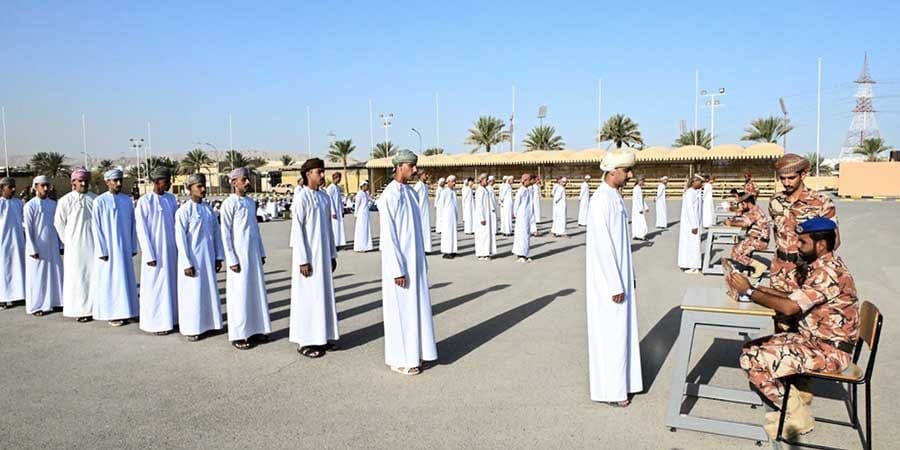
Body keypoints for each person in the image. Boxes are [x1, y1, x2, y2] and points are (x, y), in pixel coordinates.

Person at [729, 217, 858, 439]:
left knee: (750, 359)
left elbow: (789, 308)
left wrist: (750, 293)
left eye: (802, 242)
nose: (797, 245)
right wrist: (755, 287)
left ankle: (797, 414)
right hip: (815, 342)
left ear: (821, 245)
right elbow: (795, 297)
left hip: (829, 352)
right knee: (750, 349)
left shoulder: (827, 273)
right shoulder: (823, 266)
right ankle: (794, 399)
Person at [585, 151, 643, 406]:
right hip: (609, 283)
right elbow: (603, 246)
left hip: (619, 276)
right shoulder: (601, 200)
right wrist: (615, 284)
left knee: (621, 332)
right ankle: (612, 390)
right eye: (626, 170)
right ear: (612, 172)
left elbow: (620, 245)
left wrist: (628, 275)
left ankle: (624, 383)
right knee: (612, 334)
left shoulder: (614, 196)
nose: (630, 175)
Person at [376, 150, 437, 376]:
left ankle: (417, 353)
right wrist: (397, 269)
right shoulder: (389, 196)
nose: (414, 170)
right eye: (411, 166)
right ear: (399, 166)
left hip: (415, 262)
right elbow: (389, 237)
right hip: (400, 265)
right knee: (400, 312)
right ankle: (399, 358)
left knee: (416, 309)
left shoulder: (410, 193)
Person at [290, 158, 339, 358]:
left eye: (322, 171)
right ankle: (306, 341)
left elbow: (328, 229)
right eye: (319, 172)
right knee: (308, 299)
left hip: (323, 257)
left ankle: (322, 337)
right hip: (309, 259)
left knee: (322, 297)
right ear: (308, 173)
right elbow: (297, 231)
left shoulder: (324, 197)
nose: (322, 175)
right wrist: (303, 260)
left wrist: (332, 254)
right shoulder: (301, 198)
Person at [769, 153, 838, 293]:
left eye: (791, 178)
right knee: (778, 311)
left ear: (803, 174)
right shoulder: (775, 201)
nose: (786, 183)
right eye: (782, 178)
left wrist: (817, 267)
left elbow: (834, 241)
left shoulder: (821, 202)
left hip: (807, 271)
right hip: (779, 269)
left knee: (807, 313)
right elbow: (777, 233)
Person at [220, 167, 271, 350]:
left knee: (255, 292)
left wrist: (261, 252)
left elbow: (255, 230)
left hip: (253, 254)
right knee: (239, 295)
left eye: (248, 179)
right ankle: (239, 334)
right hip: (239, 257)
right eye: (244, 180)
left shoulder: (250, 203)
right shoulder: (229, 204)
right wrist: (231, 258)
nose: (247, 183)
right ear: (234, 183)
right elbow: (225, 233)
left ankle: (257, 329)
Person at [174, 174, 225, 341]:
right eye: (199, 186)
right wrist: (186, 263)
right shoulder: (183, 211)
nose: (203, 189)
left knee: (208, 292)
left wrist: (218, 256)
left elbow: (216, 234)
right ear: (190, 189)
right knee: (193, 294)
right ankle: (192, 328)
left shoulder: (209, 210)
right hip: (193, 261)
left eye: (203, 186)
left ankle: (211, 324)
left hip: (208, 258)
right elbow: (180, 241)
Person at [91, 169, 139, 326]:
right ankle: (113, 313)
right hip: (109, 250)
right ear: (107, 182)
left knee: (126, 279)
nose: (118, 183)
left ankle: (129, 310)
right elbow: (96, 227)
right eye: (114, 181)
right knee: (111, 281)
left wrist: (132, 246)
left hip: (124, 247)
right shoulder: (100, 201)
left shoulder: (127, 200)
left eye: (120, 180)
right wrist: (102, 250)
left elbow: (132, 224)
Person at [135, 167, 179, 335]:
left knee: (171, 286)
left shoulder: (171, 199)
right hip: (155, 253)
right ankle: (156, 323)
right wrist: (149, 254)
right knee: (156, 288)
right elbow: (142, 230)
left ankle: (173, 319)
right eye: (165, 182)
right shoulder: (145, 201)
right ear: (156, 182)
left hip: (171, 251)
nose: (168, 184)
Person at [53, 168, 96, 322]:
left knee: (93, 276)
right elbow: (59, 223)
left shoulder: (94, 199)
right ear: (73, 183)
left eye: (85, 181)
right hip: (74, 247)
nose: (83, 183)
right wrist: (68, 241)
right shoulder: (65, 201)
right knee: (77, 278)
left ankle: (94, 308)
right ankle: (80, 310)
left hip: (92, 245)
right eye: (80, 181)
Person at [23, 176, 64, 316]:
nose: (45, 189)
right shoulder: (30, 206)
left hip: (52, 245)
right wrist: (32, 248)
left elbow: (58, 225)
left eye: (47, 185)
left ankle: (56, 301)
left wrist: (60, 244)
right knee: (37, 276)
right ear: (35, 187)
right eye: (42, 186)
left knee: (55, 273)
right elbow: (28, 229)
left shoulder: (53, 204)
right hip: (37, 247)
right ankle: (37, 306)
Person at [724, 193, 771, 278]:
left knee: (735, 254)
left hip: (758, 240)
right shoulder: (753, 209)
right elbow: (739, 213)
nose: (741, 205)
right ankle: (747, 267)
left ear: (748, 202)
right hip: (755, 238)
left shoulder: (754, 211)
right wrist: (738, 209)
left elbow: (744, 223)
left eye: (742, 203)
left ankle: (759, 266)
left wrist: (730, 223)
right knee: (736, 247)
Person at [0, 177, 26, 310]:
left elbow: (24, 221)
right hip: (3, 243)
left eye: (14, 186)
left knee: (17, 267)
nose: (14, 189)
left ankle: (18, 295)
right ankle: (3, 298)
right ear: (2, 188)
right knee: (3, 270)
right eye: (10, 187)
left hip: (18, 241)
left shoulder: (19, 203)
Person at [677, 174, 704, 273]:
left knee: (693, 244)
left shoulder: (695, 192)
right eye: (700, 182)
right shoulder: (689, 193)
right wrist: (694, 225)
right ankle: (690, 264)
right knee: (689, 244)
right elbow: (690, 210)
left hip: (693, 223)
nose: (701, 184)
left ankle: (694, 266)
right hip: (690, 224)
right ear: (694, 182)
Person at [473, 173, 496, 260]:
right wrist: (482, 218)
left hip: (487, 215)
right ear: (481, 180)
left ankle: (486, 252)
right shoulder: (479, 191)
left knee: (487, 234)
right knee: (482, 235)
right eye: (485, 180)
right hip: (482, 217)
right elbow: (479, 205)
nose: (487, 181)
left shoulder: (485, 190)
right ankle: (482, 254)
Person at [512, 173, 534, 262]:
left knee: (526, 235)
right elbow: (517, 203)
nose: (530, 182)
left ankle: (524, 253)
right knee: (522, 235)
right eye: (529, 180)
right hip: (521, 216)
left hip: (526, 216)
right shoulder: (521, 190)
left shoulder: (528, 190)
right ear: (525, 181)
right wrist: (515, 213)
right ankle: (521, 254)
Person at [436, 175, 459, 259]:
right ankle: (447, 251)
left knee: (453, 234)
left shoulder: (453, 192)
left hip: (452, 216)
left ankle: (453, 250)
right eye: (453, 181)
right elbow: (441, 205)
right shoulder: (444, 192)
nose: (454, 183)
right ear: (448, 182)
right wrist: (441, 218)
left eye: (455, 181)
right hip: (446, 217)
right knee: (447, 235)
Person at [412, 171, 433, 253]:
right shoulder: (418, 185)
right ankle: (421, 248)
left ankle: (427, 248)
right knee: (421, 229)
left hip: (425, 210)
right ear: (420, 176)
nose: (426, 176)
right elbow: (413, 194)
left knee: (426, 229)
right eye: (425, 174)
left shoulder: (425, 185)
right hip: (420, 210)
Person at [325, 172, 347, 249]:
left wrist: (342, 210)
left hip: (339, 211)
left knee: (339, 227)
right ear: (336, 178)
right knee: (334, 228)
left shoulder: (337, 188)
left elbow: (339, 200)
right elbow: (330, 200)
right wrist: (333, 212)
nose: (340, 180)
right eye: (339, 178)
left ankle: (339, 243)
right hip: (334, 211)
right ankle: (334, 244)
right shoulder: (330, 188)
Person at [353, 180, 374, 252]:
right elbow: (357, 205)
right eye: (366, 186)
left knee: (366, 229)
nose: (367, 187)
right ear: (363, 186)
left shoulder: (366, 193)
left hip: (366, 213)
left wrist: (369, 204)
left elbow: (370, 201)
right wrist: (356, 213)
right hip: (361, 214)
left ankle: (366, 246)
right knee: (361, 230)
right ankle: (360, 246)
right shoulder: (359, 194)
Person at [631, 175, 648, 240]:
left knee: (638, 222)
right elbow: (636, 200)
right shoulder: (636, 188)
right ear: (639, 181)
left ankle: (637, 234)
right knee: (641, 222)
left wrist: (646, 207)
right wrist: (639, 209)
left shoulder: (639, 188)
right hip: (637, 209)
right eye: (642, 181)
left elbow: (641, 199)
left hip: (639, 208)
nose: (643, 182)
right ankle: (641, 235)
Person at [487, 175, 499, 242]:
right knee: (492, 219)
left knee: (494, 219)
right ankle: (493, 231)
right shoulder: (488, 188)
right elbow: (489, 199)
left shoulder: (491, 188)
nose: (494, 182)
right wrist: (492, 206)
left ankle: (495, 230)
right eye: (493, 180)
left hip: (493, 205)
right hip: (491, 206)